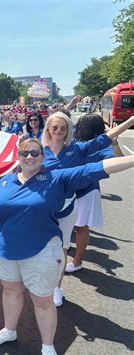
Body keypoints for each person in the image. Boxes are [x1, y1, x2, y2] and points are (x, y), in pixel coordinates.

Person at [0, 138, 134, 355]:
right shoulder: (6, 181)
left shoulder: (57, 178)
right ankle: (9, 330)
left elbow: (97, 168)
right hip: (6, 250)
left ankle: (47, 346)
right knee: (11, 291)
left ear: (42, 156)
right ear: (18, 157)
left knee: (42, 300)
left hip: (41, 250)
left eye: (34, 153)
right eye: (24, 153)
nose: (29, 157)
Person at [41, 112, 134, 306]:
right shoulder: (39, 151)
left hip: (67, 209)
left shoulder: (77, 149)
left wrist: (130, 121)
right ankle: (42, 280)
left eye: (63, 128)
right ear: (48, 129)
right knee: (42, 247)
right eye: (55, 127)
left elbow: (104, 140)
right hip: (44, 209)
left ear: (69, 130)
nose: (58, 131)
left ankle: (57, 287)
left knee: (62, 247)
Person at [66, 115, 123, 272]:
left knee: (80, 227)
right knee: (69, 225)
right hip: (69, 189)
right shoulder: (75, 141)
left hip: (87, 190)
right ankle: (69, 253)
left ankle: (77, 261)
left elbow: (119, 161)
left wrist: (114, 142)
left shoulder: (101, 145)